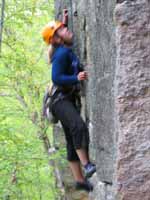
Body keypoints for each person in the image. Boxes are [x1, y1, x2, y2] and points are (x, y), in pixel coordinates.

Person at [41, 10, 96, 192]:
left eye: (64, 27)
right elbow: (56, 77)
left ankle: (79, 180)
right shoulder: (62, 54)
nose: (67, 29)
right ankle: (86, 165)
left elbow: (64, 36)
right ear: (57, 39)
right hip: (59, 101)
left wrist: (64, 22)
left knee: (72, 139)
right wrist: (76, 78)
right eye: (62, 30)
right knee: (78, 127)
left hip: (63, 100)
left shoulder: (61, 47)